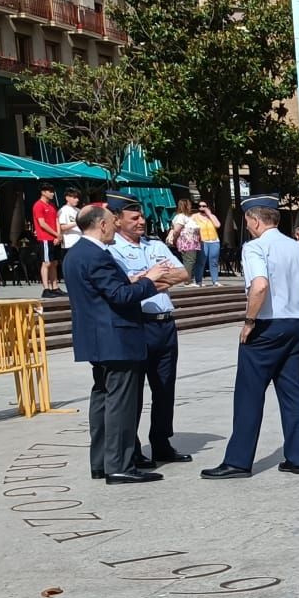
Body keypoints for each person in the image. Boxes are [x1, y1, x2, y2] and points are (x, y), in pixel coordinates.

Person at [202, 196, 299, 479]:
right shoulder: (298, 248)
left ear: (254, 220)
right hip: (294, 326)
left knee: (248, 396)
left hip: (266, 327)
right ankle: (297, 457)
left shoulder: (255, 247)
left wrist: (248, 321)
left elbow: (259, 285)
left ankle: (238, 461)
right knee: (292, 394)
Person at [63, 203, 176, 483]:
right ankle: (120, 465)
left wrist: (132, 281)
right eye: (113, 222)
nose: (115, 226)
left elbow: (105, 291)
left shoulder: (76, 254)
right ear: (101, 225)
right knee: (120, 406)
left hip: (96, 338)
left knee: (102, 400)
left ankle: (102, 462)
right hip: (117, 338)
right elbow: (120, 297)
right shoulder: (97, 255)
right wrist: (149, 280)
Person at [108, 193, 193, 466]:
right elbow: (123, 285)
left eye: (142, 216)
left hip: (165, 322)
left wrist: (145, 279)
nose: (141, 222)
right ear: (117, 220)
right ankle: (131, 447)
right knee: (134, 392)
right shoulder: (112, 250)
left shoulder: (154, 245)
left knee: (165, 387)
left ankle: (161, 441)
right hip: (138, 324)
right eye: (134, 218)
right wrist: (151, 277)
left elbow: (183, 274)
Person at [32, 186, 63, 298]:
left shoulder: (52, 205)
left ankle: (55, 287)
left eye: (52, 191)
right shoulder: (38, 205)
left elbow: (56, 219)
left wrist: (58, 235)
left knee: (54, 262)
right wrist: (55, 234)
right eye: (50, 191)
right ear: (43, 192)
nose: (52, 194)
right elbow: (42, 223)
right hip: (45, 237)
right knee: (46, 263)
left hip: (54, 237)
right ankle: (46, 288)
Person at [192, 201, 223, 285]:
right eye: (200, 206)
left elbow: (217, 225)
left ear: (208, 207)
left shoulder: (212, 216)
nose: (202, 208)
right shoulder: (194, 216)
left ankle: (215, 281)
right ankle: (198, 281)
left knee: (214, 261)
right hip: (202, 241)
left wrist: (209, 214)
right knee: (201, 261)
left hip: (214, 241)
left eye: (204, 206)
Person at [168, 199, 198, 280]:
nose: (190, 206)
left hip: (192, 242)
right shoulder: (181, 217)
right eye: (189, 204)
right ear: (185, 206)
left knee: (191, 260)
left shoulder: (187, 217)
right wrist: (174, 240)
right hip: (186, 242)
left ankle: (190, 279)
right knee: (189, 261)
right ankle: (187, 280)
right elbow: (176, 230)